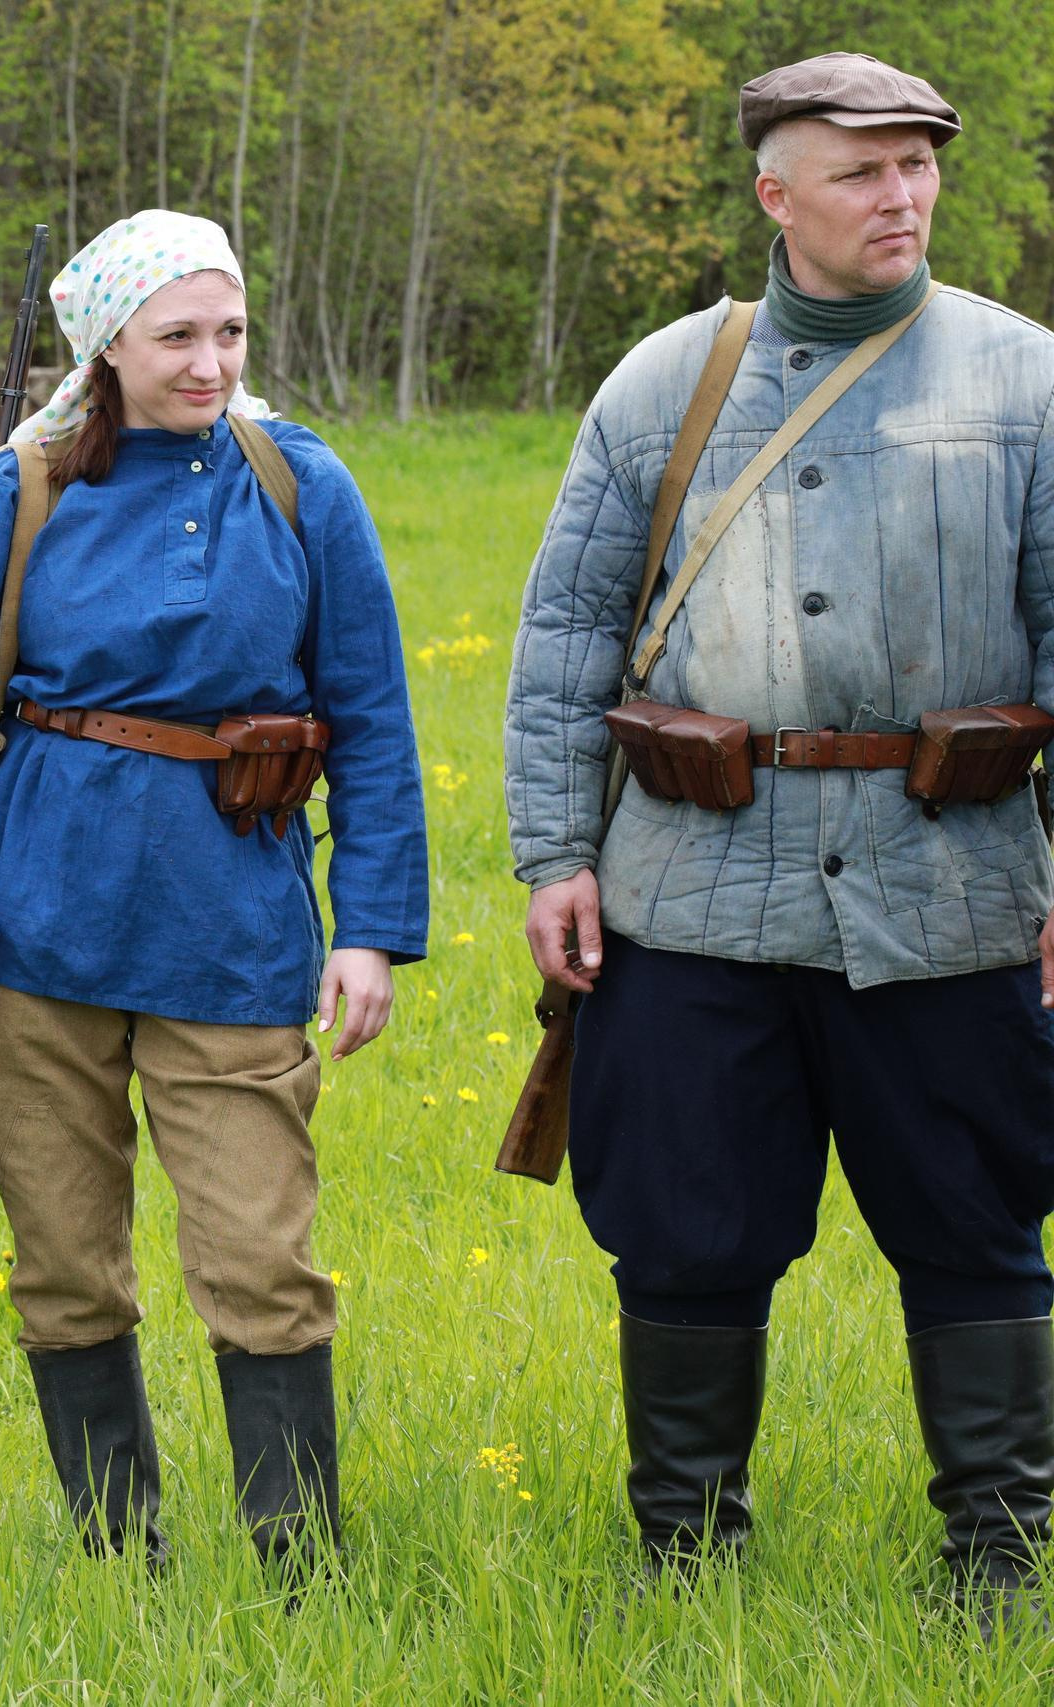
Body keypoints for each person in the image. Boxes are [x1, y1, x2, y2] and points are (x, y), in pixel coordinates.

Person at [504, 53, 1054, 1615]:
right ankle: (685, 1557)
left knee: (977, 1223)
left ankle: (1000, 1566)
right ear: (775, 194)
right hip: (690, 895)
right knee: (683, 1234)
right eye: (863, 170)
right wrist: (555, 856)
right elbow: (563, 637)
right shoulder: (661, 383)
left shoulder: (1027, 380)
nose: (903, 195)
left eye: (919, 167)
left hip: (946, 889)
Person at [0, 211, 428, 1570]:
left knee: (261, 1260)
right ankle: (119, 1557)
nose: (208, 362)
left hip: (232, 932)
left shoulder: (302, 484)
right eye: (176, 335)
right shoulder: (23, 492)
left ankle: (299, 1567)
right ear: (109, 343)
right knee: (65, 1266)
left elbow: (372, 720)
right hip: (36, 934)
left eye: (228, 332)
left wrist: (368, 929)